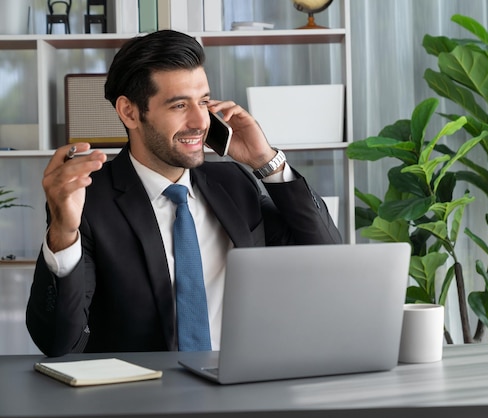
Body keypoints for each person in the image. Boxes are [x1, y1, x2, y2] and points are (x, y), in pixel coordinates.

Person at [26, 30, 342, 357]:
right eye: (179, 105)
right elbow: (57, 342)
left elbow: (327, 261)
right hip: (144, 396)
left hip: (243, 382)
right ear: (129, 112)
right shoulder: (89, 200)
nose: (200, 121)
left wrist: (268, 162)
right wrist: (63, 232)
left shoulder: (234, 183)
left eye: (203, 101)